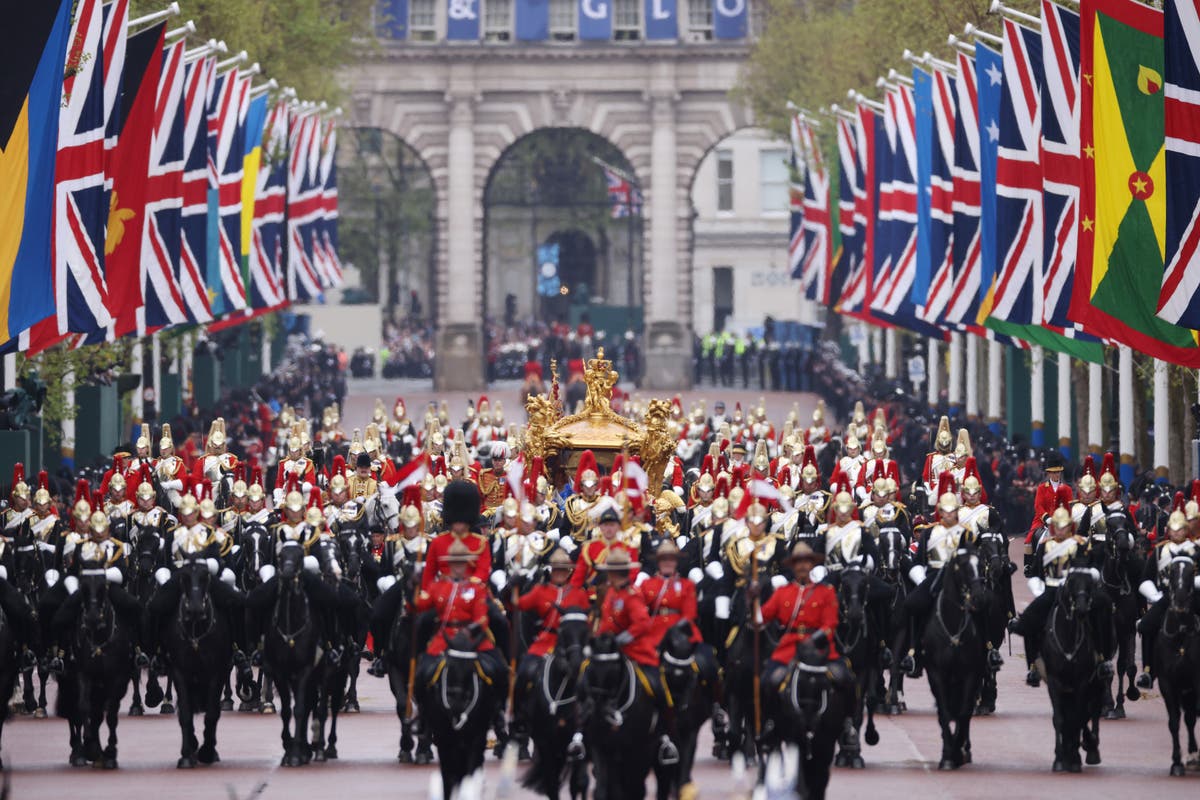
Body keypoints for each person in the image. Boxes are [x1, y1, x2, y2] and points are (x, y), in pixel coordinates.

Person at [752, 542, 853, 746]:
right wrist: (752, 599)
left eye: (806, 562)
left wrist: (816, 639)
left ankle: (847, 725)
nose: (802, 566)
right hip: (790, 648)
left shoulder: (826, 592)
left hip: (820, 647)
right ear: (793, 566)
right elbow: (762, 618)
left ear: (812, 565)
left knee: (846, 679)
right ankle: (769, 723)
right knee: (768, 681)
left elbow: (831, 623)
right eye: (798, 563)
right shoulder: (783, 592)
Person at [1008, 506, 1113, 687]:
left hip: (1077, 589)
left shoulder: (1080, 544)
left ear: (1070, 526)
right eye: (1058, 526)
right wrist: (1039, 591)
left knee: (1103, 608)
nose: (1061, 530)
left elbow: (1092, 566)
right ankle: (1033, 666)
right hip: (1051, 589)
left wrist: (1089, 581)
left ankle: (1103, 658)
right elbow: (1036, 573)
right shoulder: (1045, 546)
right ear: (1053, 527)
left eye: (1065, 526)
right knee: (1028, 622)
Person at [411, 538, 508, 734]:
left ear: (467, 565)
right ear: (449, 565)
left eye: (461, 563)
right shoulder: (438, 586)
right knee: (421, 674)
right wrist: (413, 587)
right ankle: (422, 716)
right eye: (454, 563)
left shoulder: (476, 588)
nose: (458, 567)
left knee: (499, 670)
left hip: (471, 640)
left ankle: (497, 714)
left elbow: (482, 618)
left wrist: (469, 630)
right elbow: (419, 606)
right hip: (444, 638)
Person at [1134, 510, 1200, 689]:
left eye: (1180, 530)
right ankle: (1148, 671)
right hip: (1166, 596)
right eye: (1174, 529)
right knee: (1146, 625)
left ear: (1186, 530)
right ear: (1168, 530)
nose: (1177, 533)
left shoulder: (1196, 549)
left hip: (1192, 594)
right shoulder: (1159, 551)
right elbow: (1146, 577)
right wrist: (1154, 595)